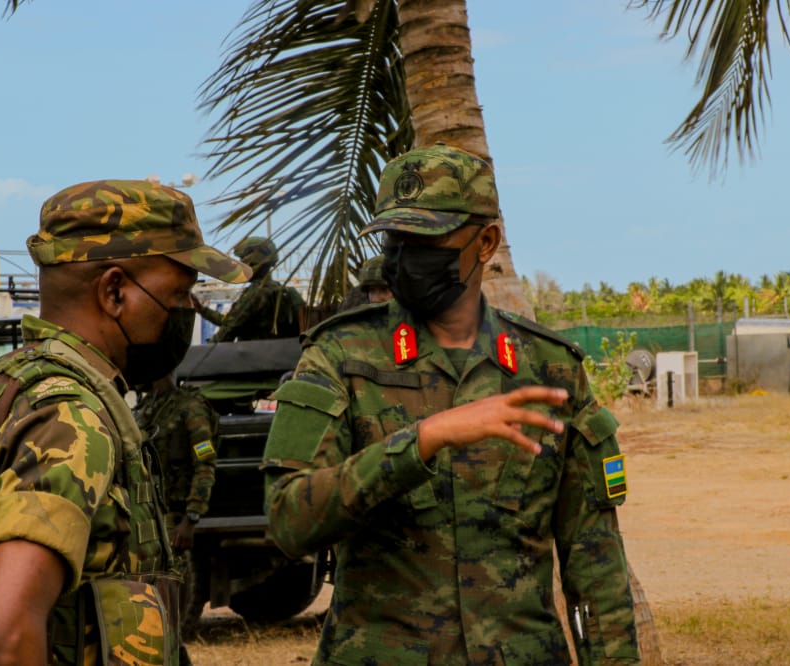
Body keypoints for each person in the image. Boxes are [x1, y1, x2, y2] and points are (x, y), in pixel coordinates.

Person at [261, 144, 639, 665]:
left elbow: (594, 564)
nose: (402, 258)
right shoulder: (339, 357)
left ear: (485, 243)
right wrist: (419, 442)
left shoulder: (551, 369)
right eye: (395, 239)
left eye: (425, 240)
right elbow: (288, 521)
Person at [0, 180, 250, 664]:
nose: (185, 312)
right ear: (114, 291)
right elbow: (1, 638)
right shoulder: (70, 418)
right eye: (178, 295)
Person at [135, 375, 220, 652]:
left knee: (172, 603)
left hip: (174, 519)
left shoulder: (191, 408)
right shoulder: (148, 407)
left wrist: (191, 518)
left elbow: (205, 464)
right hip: (149, 515)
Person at [195, 236, 305, 341]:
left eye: (243, 261)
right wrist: (202, 309)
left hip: (254, 357)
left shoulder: (256, 294)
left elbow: (228, 330)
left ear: (253, 263)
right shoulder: (287, 292)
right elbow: (230, 321)